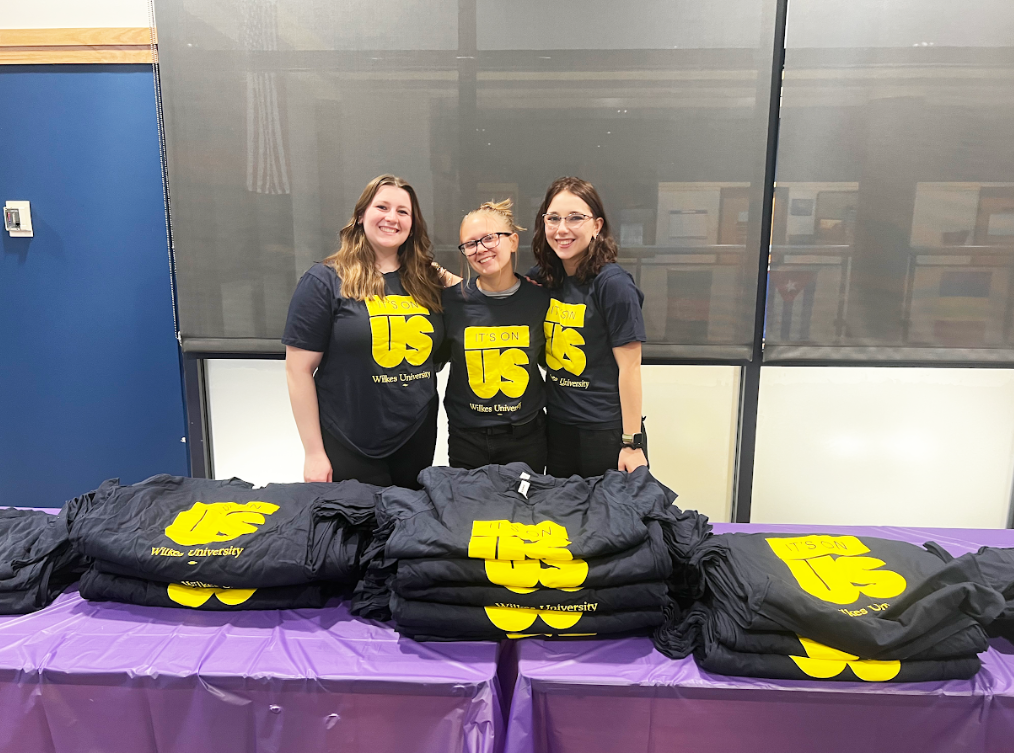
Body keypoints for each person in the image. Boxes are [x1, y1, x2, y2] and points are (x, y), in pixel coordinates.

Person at [282, 174, 446, 489]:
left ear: (413, 223)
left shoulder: (428, 281)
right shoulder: (324, 280)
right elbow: (297, 370)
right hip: (348, 441)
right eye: (382, 207)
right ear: (360, 216)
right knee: (356, 533)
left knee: (407, 530)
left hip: (416, 437)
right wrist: (313, 453)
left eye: (403, 211)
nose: (392, 218)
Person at [531, 177, 649, 477]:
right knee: (563, 521)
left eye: (575, 218)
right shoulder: (545, 278)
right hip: (558, 429)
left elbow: (631, 368)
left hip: (606, 433)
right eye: (553, 218)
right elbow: (495, 290)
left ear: (597, 226)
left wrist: (632, 443)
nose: (562, 229)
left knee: (610, 523)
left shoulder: (613, 285)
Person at [440, 200, 551, 471]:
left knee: (526, 513)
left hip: (527, 437)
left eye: (489, 238)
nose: (481, 249)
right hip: (467, 438)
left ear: (513, 241)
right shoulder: (450, 303)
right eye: (470, 244)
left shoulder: (541, 299)